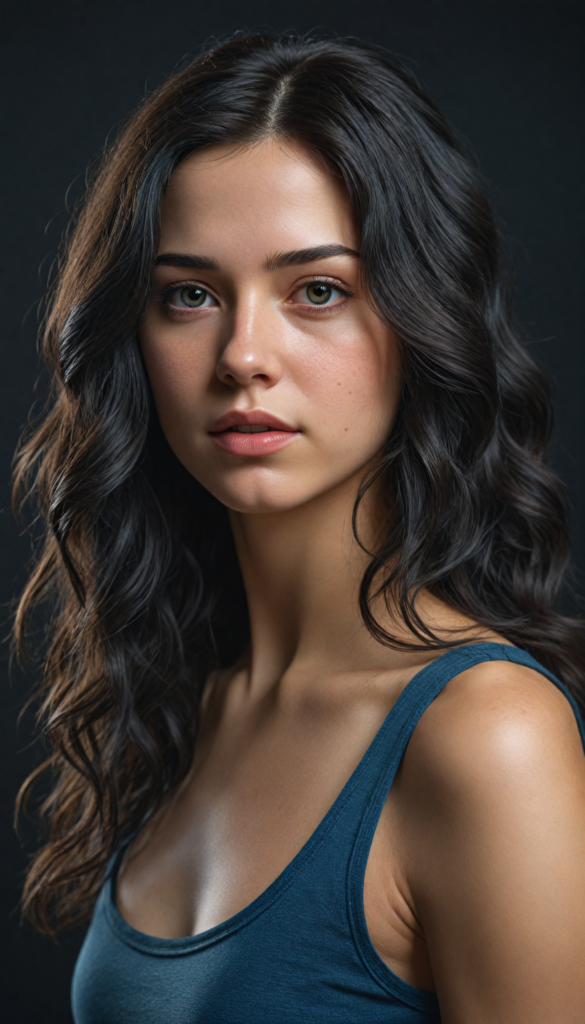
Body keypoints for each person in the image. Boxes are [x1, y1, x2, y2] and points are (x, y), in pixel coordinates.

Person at [13, 31, 585, 1023]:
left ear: (421, 318)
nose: (243, 354)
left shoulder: (486, 738)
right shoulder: (193, 696)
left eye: (317, 290)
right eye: (188, 295)